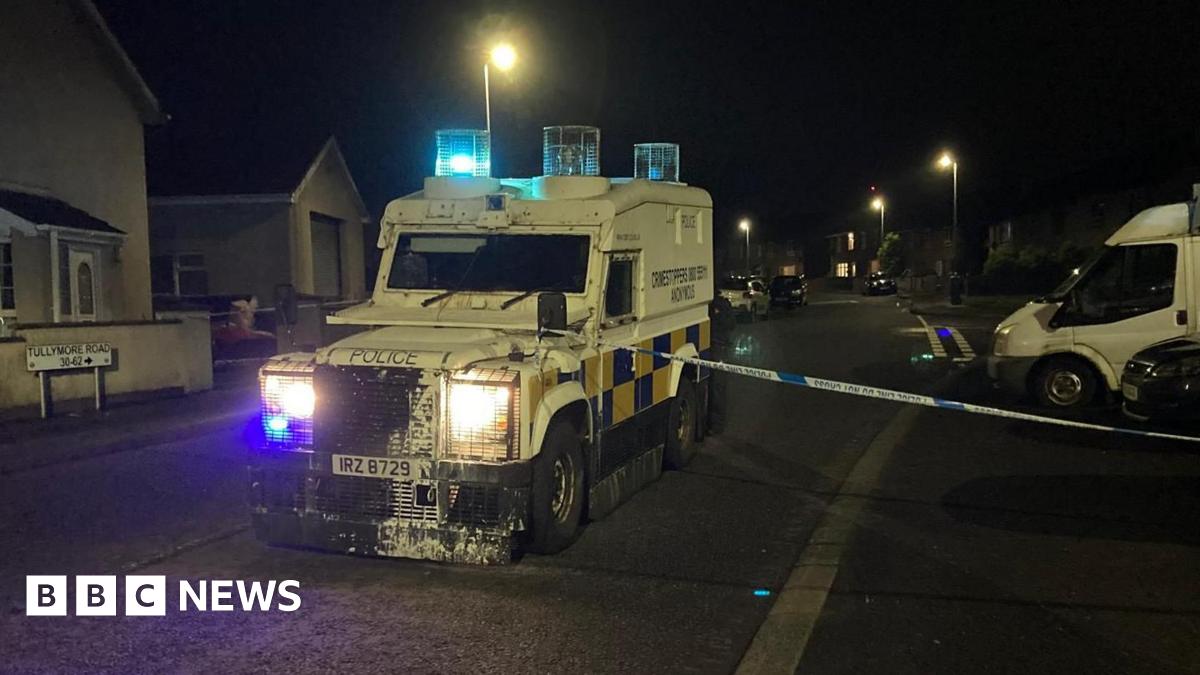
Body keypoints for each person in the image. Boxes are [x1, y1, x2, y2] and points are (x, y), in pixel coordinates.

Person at [706, 294, 736, 434]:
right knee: (710, 385)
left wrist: (717, 316)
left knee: (717, 386)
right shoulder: (708, 304)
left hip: (719, 346)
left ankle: (716, 424)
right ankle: (710, 422)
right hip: (708, 346)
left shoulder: (722, 304)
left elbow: (730, 324)